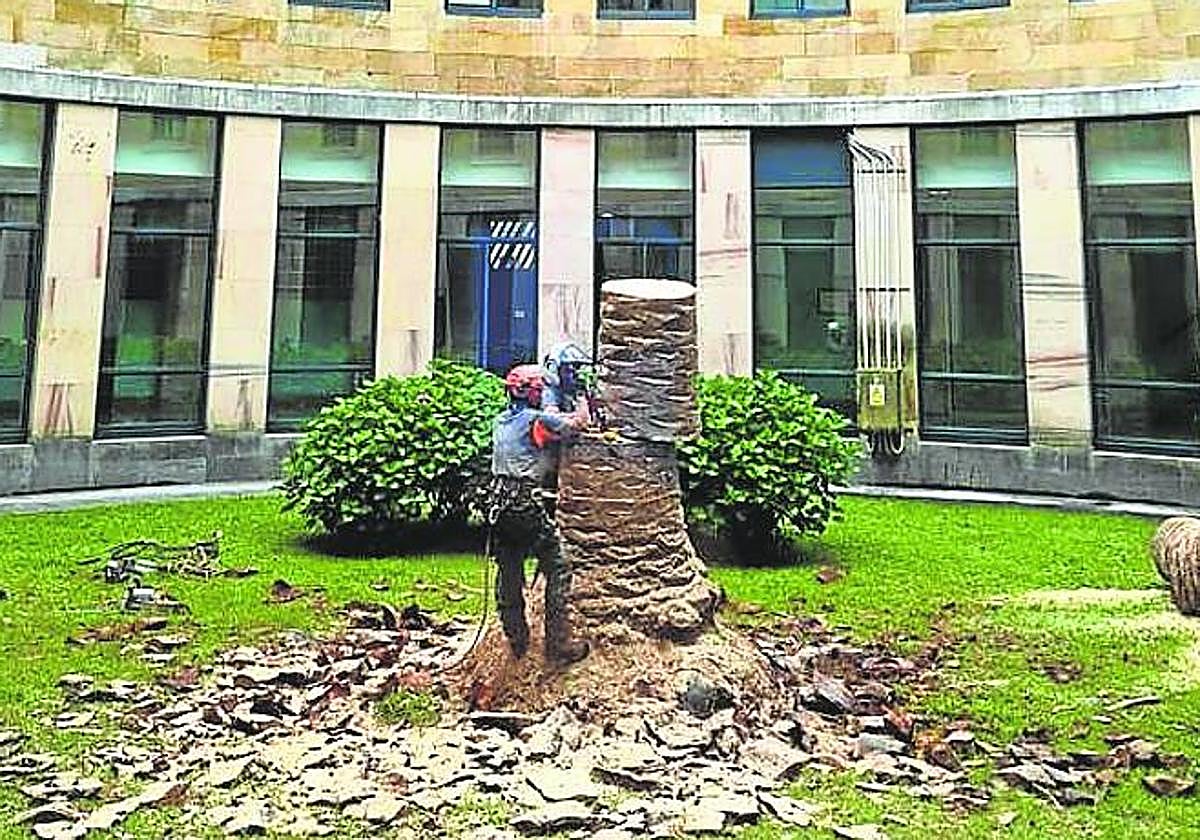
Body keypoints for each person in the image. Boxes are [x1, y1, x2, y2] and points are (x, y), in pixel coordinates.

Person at [488, 363, 590, 665]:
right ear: (533, 393)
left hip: (499, 507)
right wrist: (581, 395)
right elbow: (578, 424)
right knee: (558, 564)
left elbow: (539, 439)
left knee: (509, 567)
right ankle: (558, 645)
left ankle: (517, 639)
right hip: (524, 506)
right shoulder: (535, 418)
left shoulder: (500, 421)